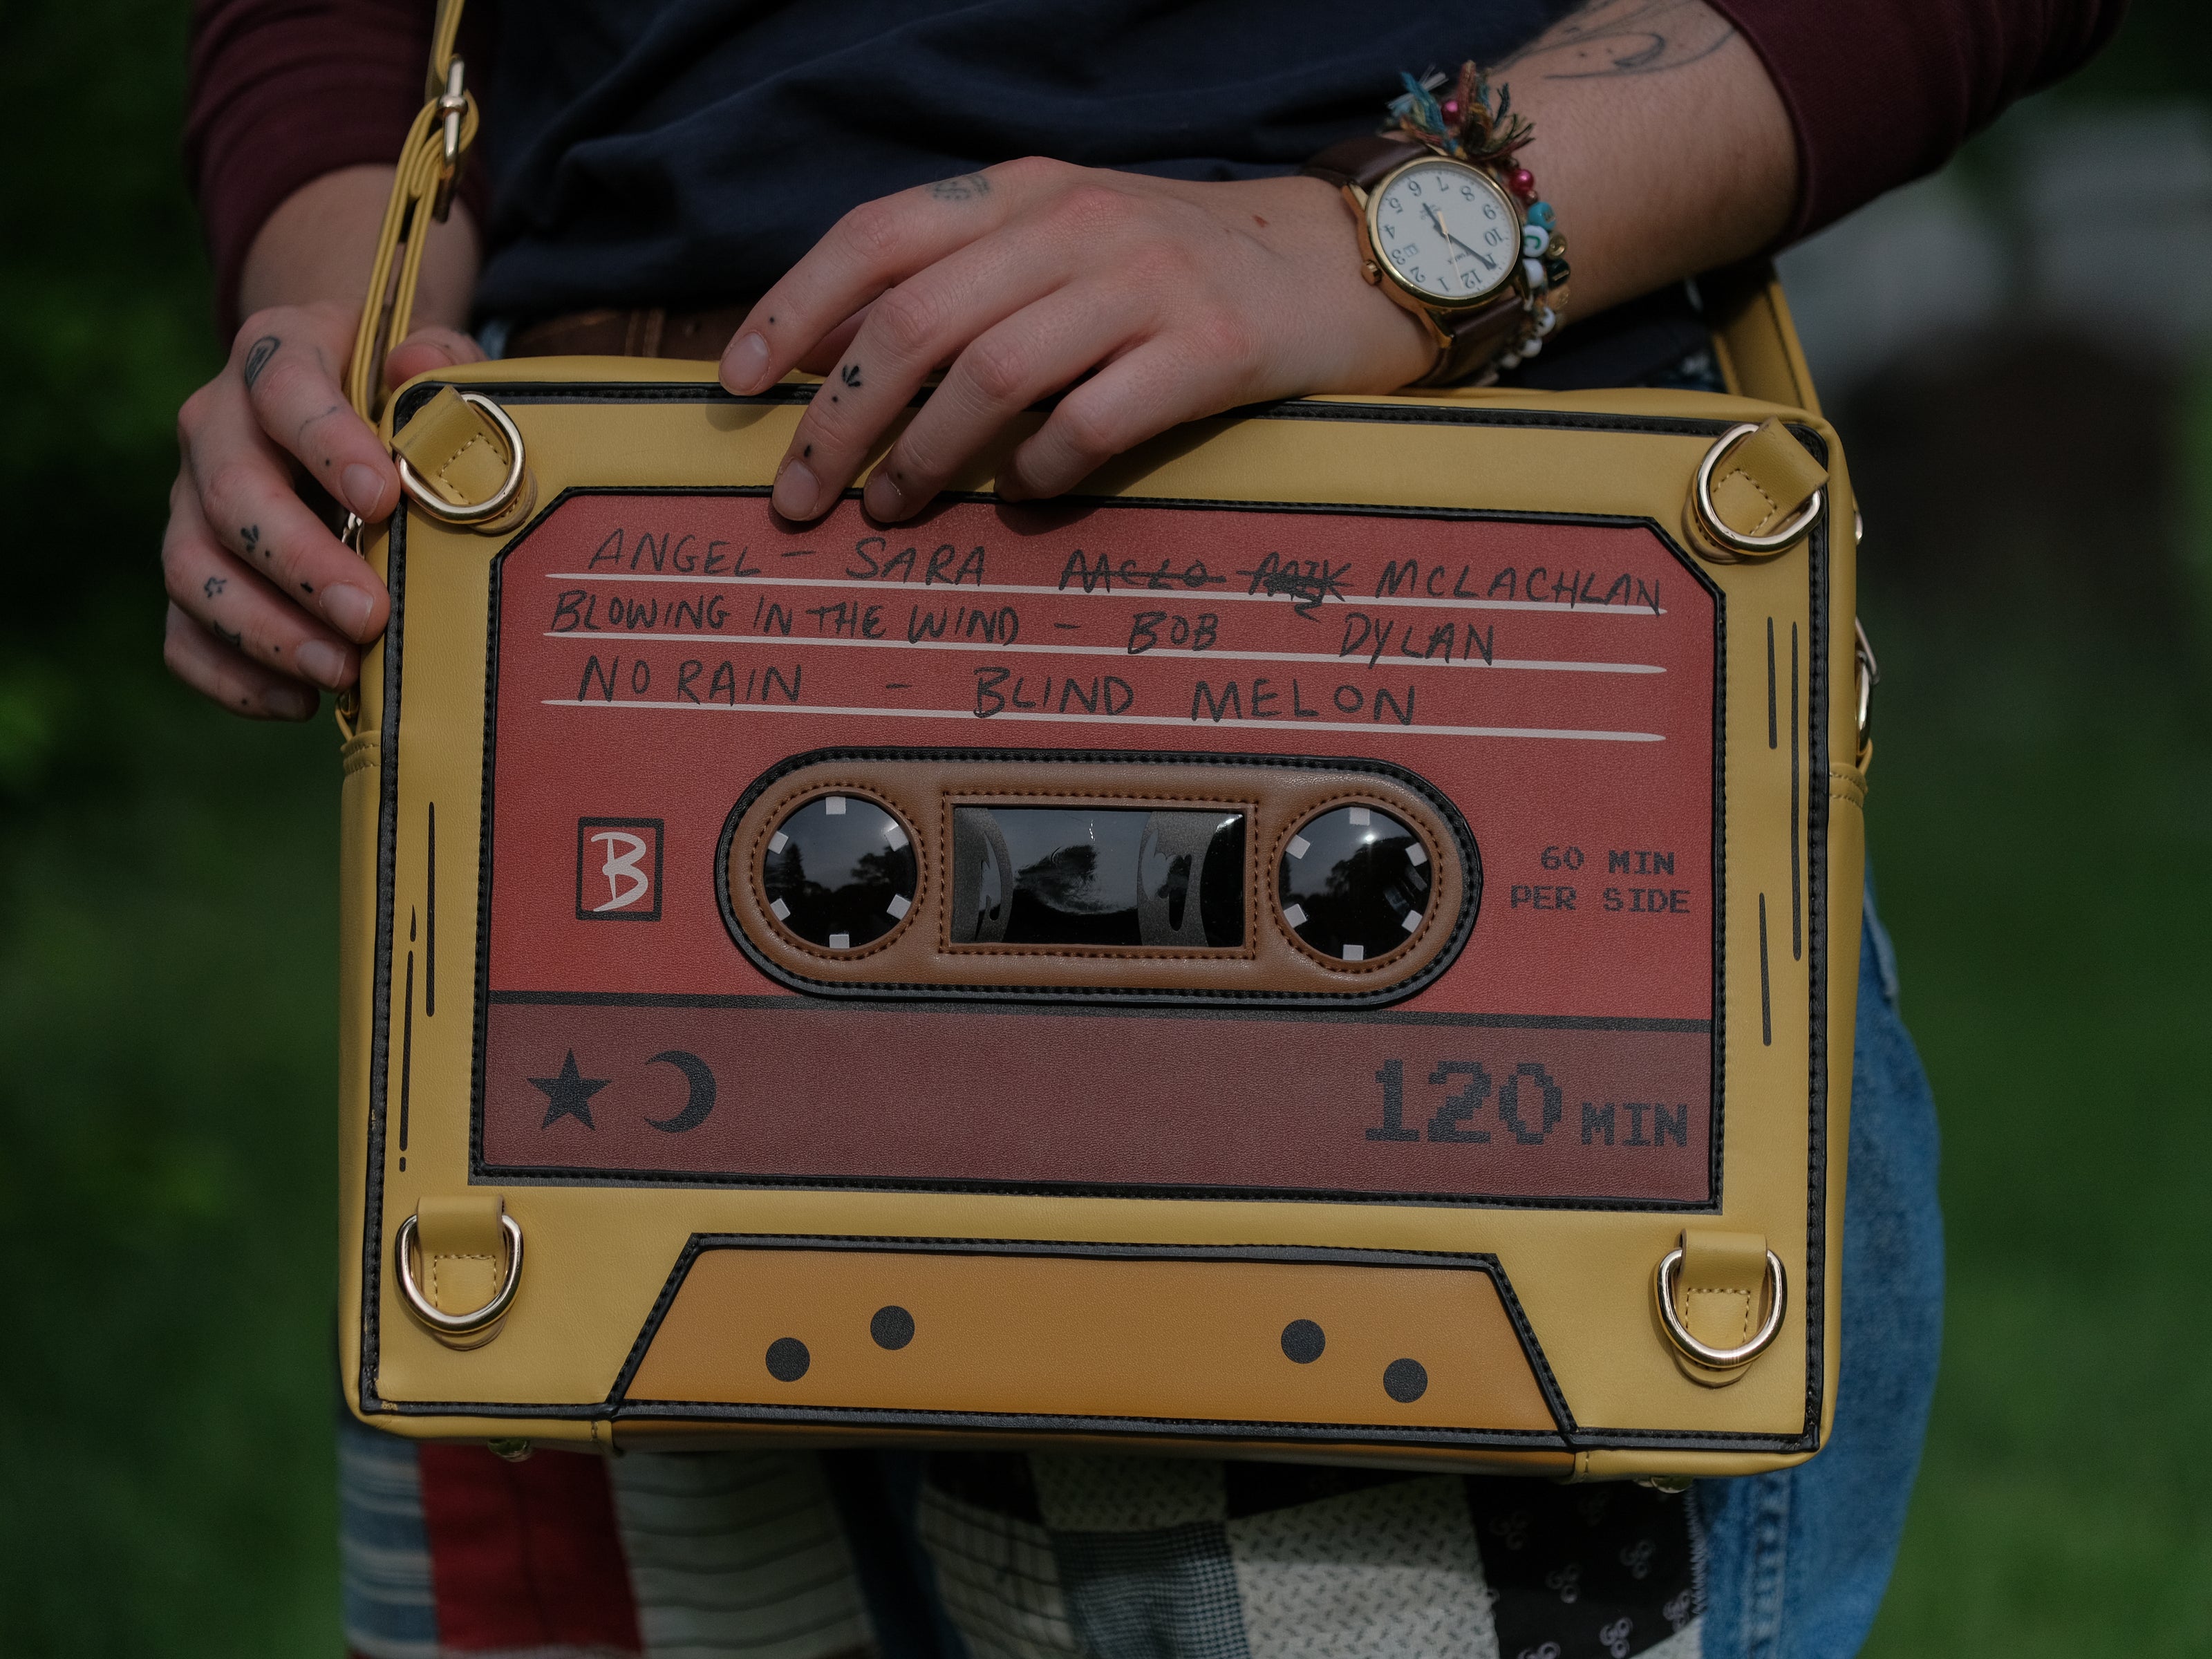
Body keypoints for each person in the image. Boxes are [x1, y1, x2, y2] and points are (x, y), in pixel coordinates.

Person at [171, 3, 2119, 1654]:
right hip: (585, 739)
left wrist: (1393, 244)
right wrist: (336, 357)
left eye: (1369, 894)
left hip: (1402, 583)